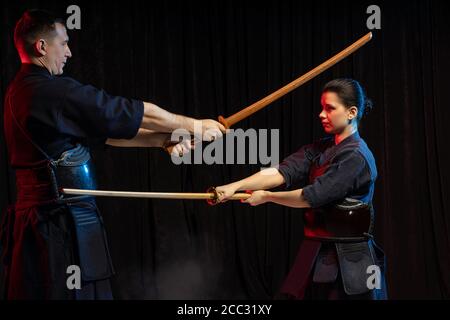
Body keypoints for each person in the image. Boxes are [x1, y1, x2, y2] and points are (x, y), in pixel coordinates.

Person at [1, 9, 225, 300]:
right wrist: (193, 124)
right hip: (57, 229)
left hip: (48, 225)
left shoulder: (21, 92)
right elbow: (124, 111)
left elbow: (104, 133)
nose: (69, 52)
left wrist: (164, 140)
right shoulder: (50, 92)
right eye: (63, 43)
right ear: (42, 47)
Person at [215, 78, 387, 300]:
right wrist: (233, 186)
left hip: (352, 259)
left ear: (351, 112)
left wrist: (267, 196)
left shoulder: (356, 156)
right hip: (317, 251)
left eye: (329, 108)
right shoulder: (320, 148)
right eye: (322, 107)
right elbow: (280, 172)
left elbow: (311, 196)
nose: (321, 114)